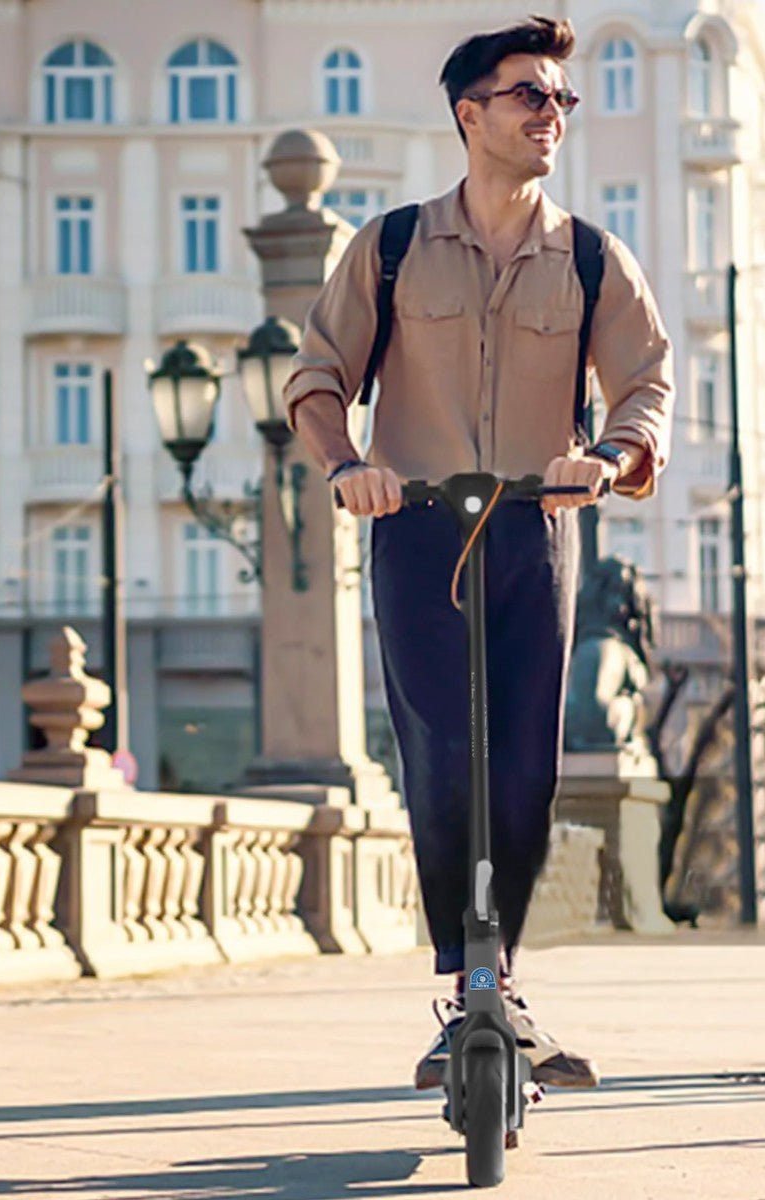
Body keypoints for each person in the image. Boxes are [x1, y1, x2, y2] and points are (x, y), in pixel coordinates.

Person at [282, 15, 674, 1091]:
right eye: (530, 96)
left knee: (526, 772)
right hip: (415, 531)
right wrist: (345, 464)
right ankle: (464, 988)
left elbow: (647, 382)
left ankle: (508, 986)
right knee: (440, 757)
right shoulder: (394, 245)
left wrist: (614, 452)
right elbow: (315, 376)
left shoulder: (593, 256)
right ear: (472, 115)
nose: (552, 115)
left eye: (562, 99)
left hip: (538, 530)